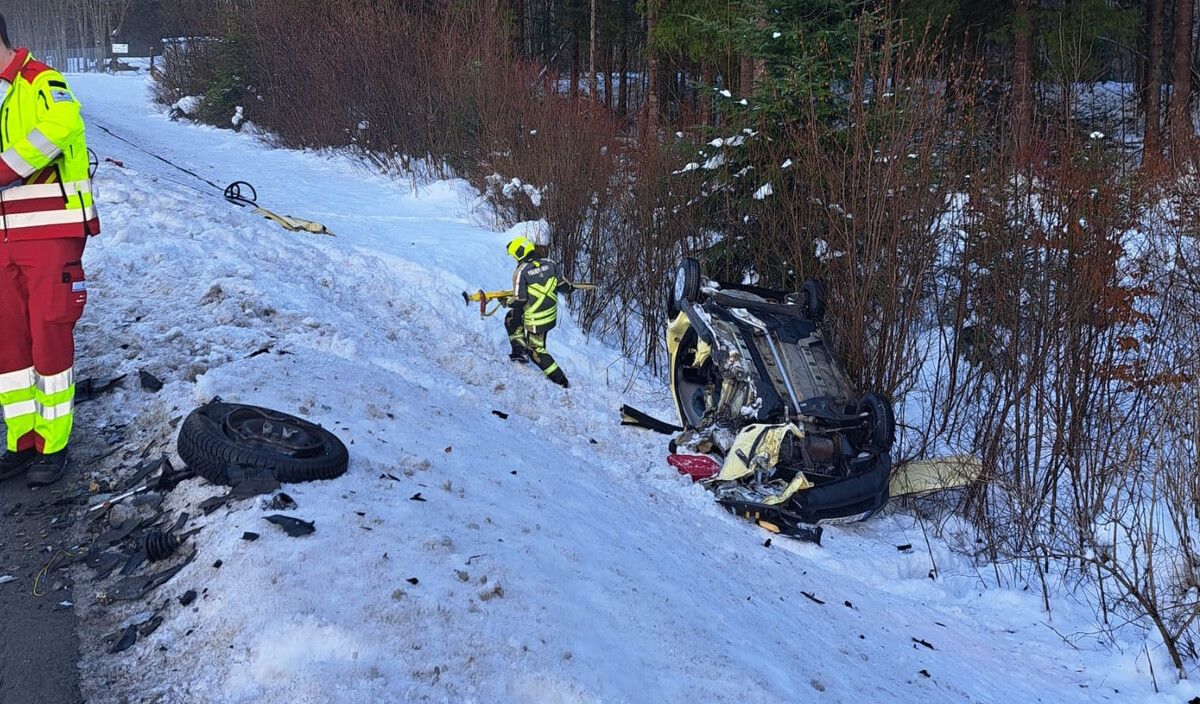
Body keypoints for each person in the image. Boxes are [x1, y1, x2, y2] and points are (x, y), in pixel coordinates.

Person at [0, 14, 100, 486]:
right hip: (4, 239)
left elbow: (63, 124)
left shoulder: (40, 79)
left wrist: (5, 167)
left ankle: (52, 445)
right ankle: (20, 441)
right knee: (9, 342)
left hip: (48, 232)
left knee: (49, 332)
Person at [504, 236, 571, 388]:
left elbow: (519, 300)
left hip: (536, 320)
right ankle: (519, 352)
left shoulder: (521, 272)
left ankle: (561, 381)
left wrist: (506, 302)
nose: (515, 260)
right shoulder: (550, 263)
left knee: (536, 350)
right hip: (549, 314)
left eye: (515, 256)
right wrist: (570, 287)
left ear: (520, 253)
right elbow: (563, 287)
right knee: (512, 318)